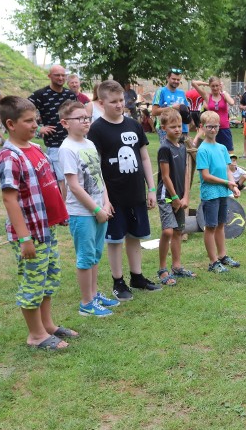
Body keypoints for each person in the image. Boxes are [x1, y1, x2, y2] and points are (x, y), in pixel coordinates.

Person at [0, 95, 76, 350]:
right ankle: (36, 335)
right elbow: (10, 200)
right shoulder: (10, 156)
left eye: (36, 120)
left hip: (46, 228)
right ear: (11, 123)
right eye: (29, 121)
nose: (35, 125)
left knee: (48, 278)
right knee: (32, 281)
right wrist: (24, 238)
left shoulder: (36, 148)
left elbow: (47, 186)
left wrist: (59, 214)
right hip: (30, 233)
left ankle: (48, 325)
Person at [87, 80, 161, 301]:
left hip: (136, 192)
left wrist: (151, 188)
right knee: (116, 239)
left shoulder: (134, 125)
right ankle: (118, 281)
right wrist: (104, 199)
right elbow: (96, 168)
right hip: (114, 196)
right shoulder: (97, 130)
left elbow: (145, 157)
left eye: (122, 100)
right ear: (101, 103)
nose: (119, 105)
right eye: (113, 102)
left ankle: (137, 277)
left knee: (135, 236)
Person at [58, 100, 118, 317]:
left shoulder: (89, 144)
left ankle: (93, 295)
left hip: (99, 208)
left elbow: (98, 176)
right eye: (80, 118)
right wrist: (96, 210)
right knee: (85, 258)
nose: (85, 122)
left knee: (94, 255)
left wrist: (106, 201)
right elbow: (73, 185)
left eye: (87, 118)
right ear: (65, 123)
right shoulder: (67, 149)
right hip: (82, 213)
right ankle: (86, 303)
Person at [196, 110, 241, 273]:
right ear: (202, 127)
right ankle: (213, 262)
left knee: (221, 224)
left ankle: (222, 256)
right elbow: (206, 176)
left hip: (223, 192)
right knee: (211, 226)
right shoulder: (203, 150)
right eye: (209, 127)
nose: (213, 130)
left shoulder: (222, 148)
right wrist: (227, 182)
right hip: (210, 193)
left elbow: (228, 169)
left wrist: (234, 185)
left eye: (216, 126)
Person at [156, 109, 193, 286]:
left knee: (178, 231)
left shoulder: (183, 147)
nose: (177, 129)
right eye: (173, 127)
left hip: (180, 196)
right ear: (164, 128)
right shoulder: (164, 148)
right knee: (168, 231)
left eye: (179, 126)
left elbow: (186, 173)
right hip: (167, 196)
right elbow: (165, 177)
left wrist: (186, 196)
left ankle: (176, 267)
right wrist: (176, 197)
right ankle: (162, 269)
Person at [28, 65, 77, 196]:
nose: (61, 78)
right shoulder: (40, 95)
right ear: (49, 76)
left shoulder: (70, 95)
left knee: (75, 179)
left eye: (63, 75)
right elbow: (22, 110)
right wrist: (38, 128)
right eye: (57, 75)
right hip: (55, 146)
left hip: (73, 144)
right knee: (62, 181)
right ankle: (64, 212)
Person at [191, 77, 236, 155]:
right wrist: (207, 84)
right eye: (213, 86)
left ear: (220, 86)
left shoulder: (224, 95)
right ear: (210, 86)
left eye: (217, 85)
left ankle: (229, 167)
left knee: (229, 153)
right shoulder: (207, 96)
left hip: (224, 128)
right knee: (213, 152)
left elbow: (231, 102)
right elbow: (193, 83)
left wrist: (224, 92)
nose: (215, 88)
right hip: (212, 129)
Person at [152, 69, 190, 143]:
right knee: (168, 152)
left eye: (178, 80)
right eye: (173, 79)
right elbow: (154, 111)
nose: (176, 81)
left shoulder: (182, 93)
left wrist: (187, 129)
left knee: (182, 153)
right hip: (165, 129)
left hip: (182, 128)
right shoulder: (161, 91)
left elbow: (186, 111)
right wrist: (172, 108)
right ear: (168, 78)